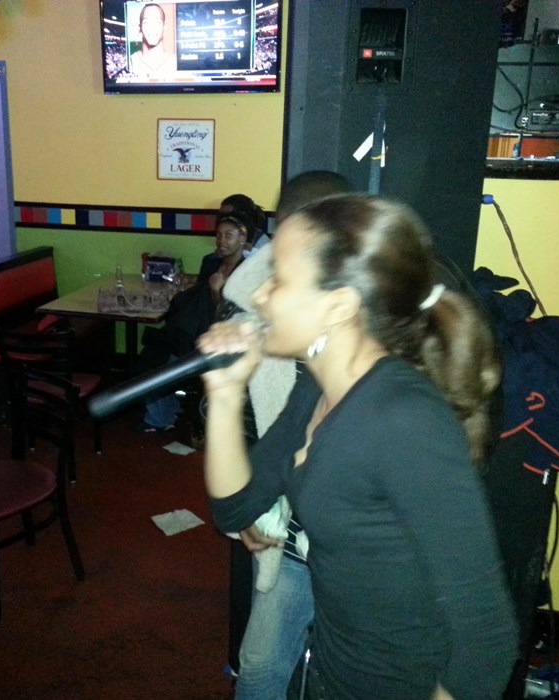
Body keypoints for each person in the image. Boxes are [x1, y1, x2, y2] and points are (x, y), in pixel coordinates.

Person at [200, 193, 518, 699]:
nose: (259, 295)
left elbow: (487, 636)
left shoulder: (404, 418)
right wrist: (225, 392)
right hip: (332, 670)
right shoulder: (317, 388)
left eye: (278, 279)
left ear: (339, 306)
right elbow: (235, 507)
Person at [222, 171, 352, 699]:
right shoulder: (252, 305)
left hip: (359, 552)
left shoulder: (378, 332)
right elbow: (248, 428)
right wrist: (248, 510)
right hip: (288, 534)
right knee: (259, 669)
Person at [135, 210, 255, 433]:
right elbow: (198, 294)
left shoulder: (246, 272)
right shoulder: (211, 264)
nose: (222, 241)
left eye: (229, 236)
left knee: (160, 361)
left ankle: (161, 416)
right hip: (191, 331)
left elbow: (233, 318)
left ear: (242, 239)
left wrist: (216, 291)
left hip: (217, 339)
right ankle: (163, 413)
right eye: (219, 235)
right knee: (151, 355)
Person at [130, 3, 177, 78]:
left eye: (157, 22)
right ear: (139, 28)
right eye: (146, 22)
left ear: (164, 27)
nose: (152, 28)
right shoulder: (131, 62)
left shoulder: (175, 62)